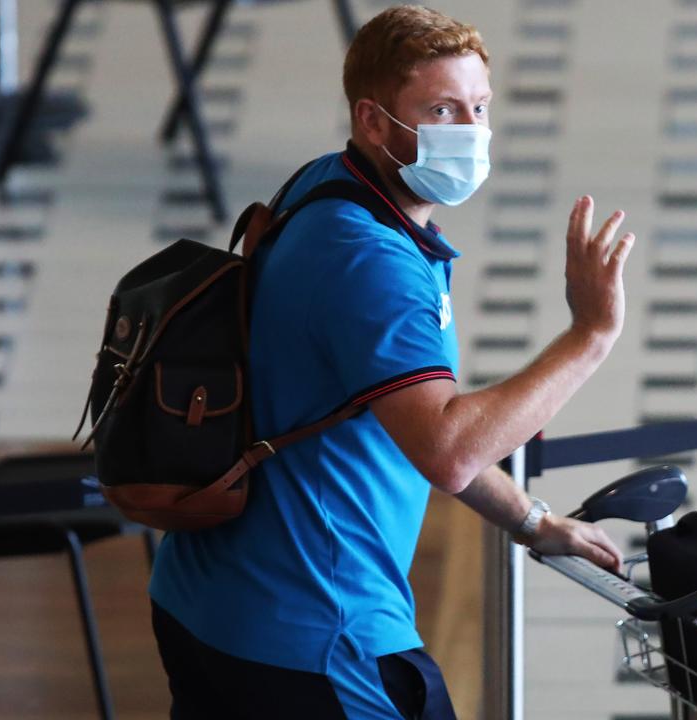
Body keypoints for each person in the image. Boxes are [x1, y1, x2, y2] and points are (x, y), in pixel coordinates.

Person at [147, 5, 635, 718]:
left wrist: (530, 518)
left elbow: (419, 424)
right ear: (373, 121)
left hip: (202, 600)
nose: (469, 132)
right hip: (313, 633)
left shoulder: (326, 187)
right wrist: (589, 334)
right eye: (440, 110)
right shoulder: (370, 260)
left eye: (479, 107)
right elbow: (448, 448)